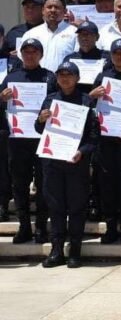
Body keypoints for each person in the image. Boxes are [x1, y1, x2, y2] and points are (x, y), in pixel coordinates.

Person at [35, 61, 99, 268]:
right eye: (61, 75)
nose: (65, 78)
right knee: (56, 207)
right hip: (53, 162)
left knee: (77, 208)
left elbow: (93, 137)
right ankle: (56, 251)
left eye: (69, 75)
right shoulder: (50, 100)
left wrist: (82, 152)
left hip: (76, 163)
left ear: (77, 78)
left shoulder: (86, 101)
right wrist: (41, 120)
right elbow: (38, 130)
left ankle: (75, 251)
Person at [1, 38, 56, 243]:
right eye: (26, 52)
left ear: (40, 54)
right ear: (21, 54)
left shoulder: (49, 77)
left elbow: (57, 103)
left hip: (42, 138)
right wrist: (1, 98)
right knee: (19, 184)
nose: (30, 55)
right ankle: (24, 226)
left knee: (44, 184)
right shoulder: (11, 77)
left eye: (34, 51)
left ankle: (41, 227)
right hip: (17, 138)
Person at [90, 39, 121, 245]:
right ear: (111, 55)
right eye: (115, 53)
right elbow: (89, 107)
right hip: (105, 140)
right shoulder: (103, 77)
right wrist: (92, 96)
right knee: (107, 184)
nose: (119, 56)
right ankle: (111, 227)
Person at [21, 0, 77, 72]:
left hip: (64, 80)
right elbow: (23, 58)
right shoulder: (30, 34)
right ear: (43, 10)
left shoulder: (75, 33)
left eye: (57, 7)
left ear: (65, 11)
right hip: (37, 81)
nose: (53, 10)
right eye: (49, 7)